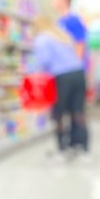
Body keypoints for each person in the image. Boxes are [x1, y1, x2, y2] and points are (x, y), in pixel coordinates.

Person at [29, 15, 89, 161]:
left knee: (59, 113)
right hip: (78, 74)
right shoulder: (62, 36)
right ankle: (81, 147)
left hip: (61, 77)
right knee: (78, 112)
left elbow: (44, 61)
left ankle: (62, 149)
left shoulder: (42, 38)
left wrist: (31, 71)